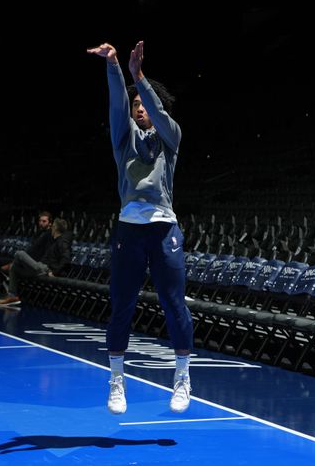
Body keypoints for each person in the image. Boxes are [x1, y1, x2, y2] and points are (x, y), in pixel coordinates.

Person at [87, 40, 193, 415]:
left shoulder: (171, 138)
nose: (140, 109)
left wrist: (139, 77)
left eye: (145, 105)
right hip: (128, 231)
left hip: (165, 230)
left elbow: (160, 112)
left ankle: (182, 376)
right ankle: (117, 380)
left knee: (173, 303)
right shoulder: (123, 139)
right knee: (121, 306)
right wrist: (114, 67)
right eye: (136, 106)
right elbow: (116, 105)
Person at [0, 218, 73, 306]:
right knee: (14, 268)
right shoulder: (55, 240)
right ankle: (12, 297)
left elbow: (66, 259)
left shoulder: (62, 242)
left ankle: (13, 265)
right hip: (40, 267)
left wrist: (55, 272)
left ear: (55, 228)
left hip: (46, 269)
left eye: (53, 226)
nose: (51, 228)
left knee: (20, 253)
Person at [0, 211, 53, 284]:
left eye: (44, 221)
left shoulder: (49, 236)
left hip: (30, 265)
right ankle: (7, 281)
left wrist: (48, 270)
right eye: (40, 221)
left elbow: (46, 254)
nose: (41, 223)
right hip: (22, 261)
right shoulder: (39, 233)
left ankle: (8, 282)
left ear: (50, 223)